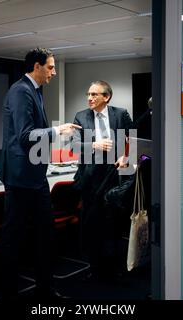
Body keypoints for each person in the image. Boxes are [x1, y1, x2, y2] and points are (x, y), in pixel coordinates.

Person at [0, 47, 81, 299]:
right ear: (37, 66)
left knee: (44, 235)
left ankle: (45, 290)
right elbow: (25, 137)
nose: (54, 72)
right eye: (51, 67)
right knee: (15, 239)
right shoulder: (21, 91)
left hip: (34, 176)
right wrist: (58, 131)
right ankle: (8, 293)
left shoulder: (34, 91)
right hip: (21, 177)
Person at [71, 80, 133, 282]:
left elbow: (132, 140)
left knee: (113, 222)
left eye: (94, 95)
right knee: (91, 223)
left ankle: (115, 265)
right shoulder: (81, 116)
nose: (89, 98)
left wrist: (126, 156)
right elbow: (74, 145)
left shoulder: (120, 114)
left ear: (106, 97)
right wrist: (95, 145)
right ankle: (94, 266)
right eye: (88, 94)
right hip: (90, 177)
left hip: (114, 175)